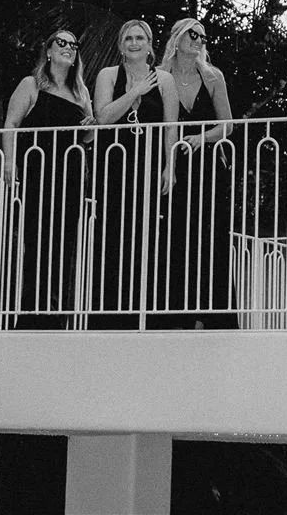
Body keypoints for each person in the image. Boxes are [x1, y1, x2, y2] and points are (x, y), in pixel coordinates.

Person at [2, 29, 93, 329]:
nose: (68, 48)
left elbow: (89, 136)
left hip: (70, 178)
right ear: (49, 50)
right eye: (61, 42)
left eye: (73, 45)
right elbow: (11, 124)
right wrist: (10, 163)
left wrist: (92, 121)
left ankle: (56, 319)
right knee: (37, 242)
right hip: (40, 174)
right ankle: (30, 318)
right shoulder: (33, 84)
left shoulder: (80, 92)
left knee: (64, 245)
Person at [90, 19, 178, 328]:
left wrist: (170, 165)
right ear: (120, 44)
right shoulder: (107, 75)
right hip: (114, 164)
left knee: (149, 234)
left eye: (140, 37)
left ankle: (147, 313)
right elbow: (102, 118)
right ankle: (108, 314)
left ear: (150, 43)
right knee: (111, 233)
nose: (134, 42)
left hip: (150, 165)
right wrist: (135, 92)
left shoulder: (165, 79)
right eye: (128, 38)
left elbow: (170, 127)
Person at [154, 18, 237, 328]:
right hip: (173, 164)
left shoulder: (213, 76)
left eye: (203, 36)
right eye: (193, 34)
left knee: (211, 235)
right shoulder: (161, 76)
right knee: (175, 236)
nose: (200, 40)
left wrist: (202, 138)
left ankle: (213, 316)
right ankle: (177, 314)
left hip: (208, 164)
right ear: (178, 37)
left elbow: (227, 124)